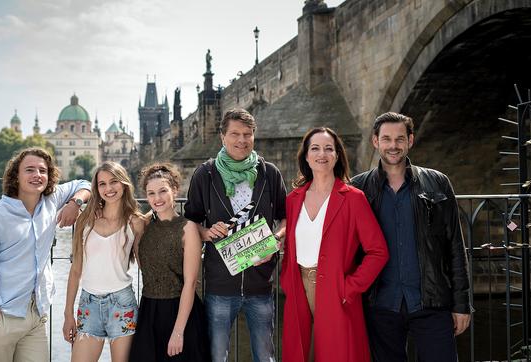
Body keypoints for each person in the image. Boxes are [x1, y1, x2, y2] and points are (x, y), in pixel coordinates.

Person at [350, 112, 472, 362]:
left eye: (399, 139)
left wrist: (462, 305)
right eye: (386, 139)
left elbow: (455, 247)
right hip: (379, 305)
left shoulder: (438, 182)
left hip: (431, 302)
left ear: (410, 140)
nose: (393, 146)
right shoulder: (358, 188)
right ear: (375, 141)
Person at [0, 147, 91, 362]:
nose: (37, 175)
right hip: (3, 315)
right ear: (16, 176)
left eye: (43, 171)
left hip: (36, 315)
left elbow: (85, 185)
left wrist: (75, 203)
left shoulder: (51, 201)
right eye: (30, 170)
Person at [184, 108, 286, 362]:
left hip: (260, 283)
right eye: (235, 134)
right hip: (220, 284)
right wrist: (206, 232)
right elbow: (190, 221)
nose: (242, 140)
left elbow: (285, 218)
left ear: (254, 136)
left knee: (265, 356)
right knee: (217, 355)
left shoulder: (269, 173)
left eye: (247, 134)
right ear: (222, 137)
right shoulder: (205, 174)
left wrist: (275, 240)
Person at [280, 127, 389, 362]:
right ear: (306, 156)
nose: (322, 154)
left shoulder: (353, 198)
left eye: (329, 148)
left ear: (337, 155)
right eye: (315, 148)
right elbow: (288, 244)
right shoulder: (293, 200)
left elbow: (378, 251)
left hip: (336, 289)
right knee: (299, 354)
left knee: (337, 354)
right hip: (298, 288)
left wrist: (350, 287)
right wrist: (286, 280)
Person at [62, 161, 144, 362]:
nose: (109, 188)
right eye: (102, 184)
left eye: (114, 182)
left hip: (122, 304)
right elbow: (75, 271)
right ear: (96, 189)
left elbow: (144, 265)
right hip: (88, 304)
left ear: (124, 184)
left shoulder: (135, 222)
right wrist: (68, 314)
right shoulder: (86, 221)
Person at [130, 163, 210, 361]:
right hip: (149, 311)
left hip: (179, 312)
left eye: (163, 191)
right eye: (151, 193)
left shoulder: (188, 229)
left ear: (175, 190)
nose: (157, 198)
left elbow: (191, 283)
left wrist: (178, 332)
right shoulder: (144, 226)